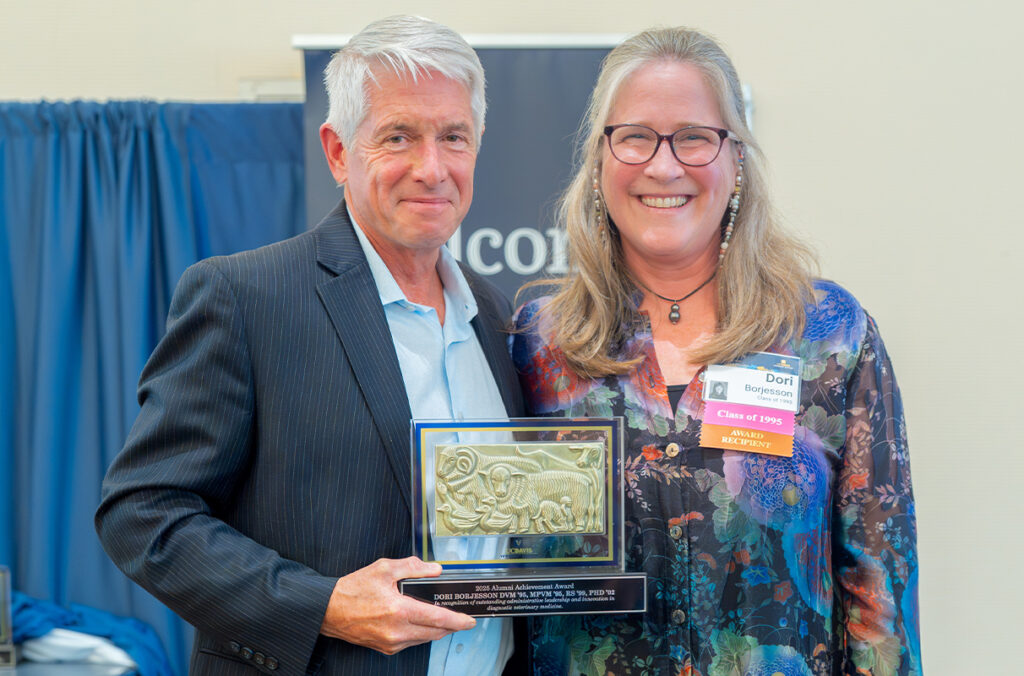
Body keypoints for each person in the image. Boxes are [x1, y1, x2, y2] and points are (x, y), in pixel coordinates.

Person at [95, 15, 525, 676]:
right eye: (398, 136)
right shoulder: (245, 297)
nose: (432, 168)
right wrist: (322, 604)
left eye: (453, 136)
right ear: (338, 151)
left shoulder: (495, 317)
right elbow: (142, 513)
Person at [511, 27, 920, 675]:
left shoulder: (829, 335)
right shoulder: (538, 346)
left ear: (737, 162)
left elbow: (879, 592)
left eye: (694, 137)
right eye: (635, 136)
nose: (663, 166)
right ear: (599, 161)